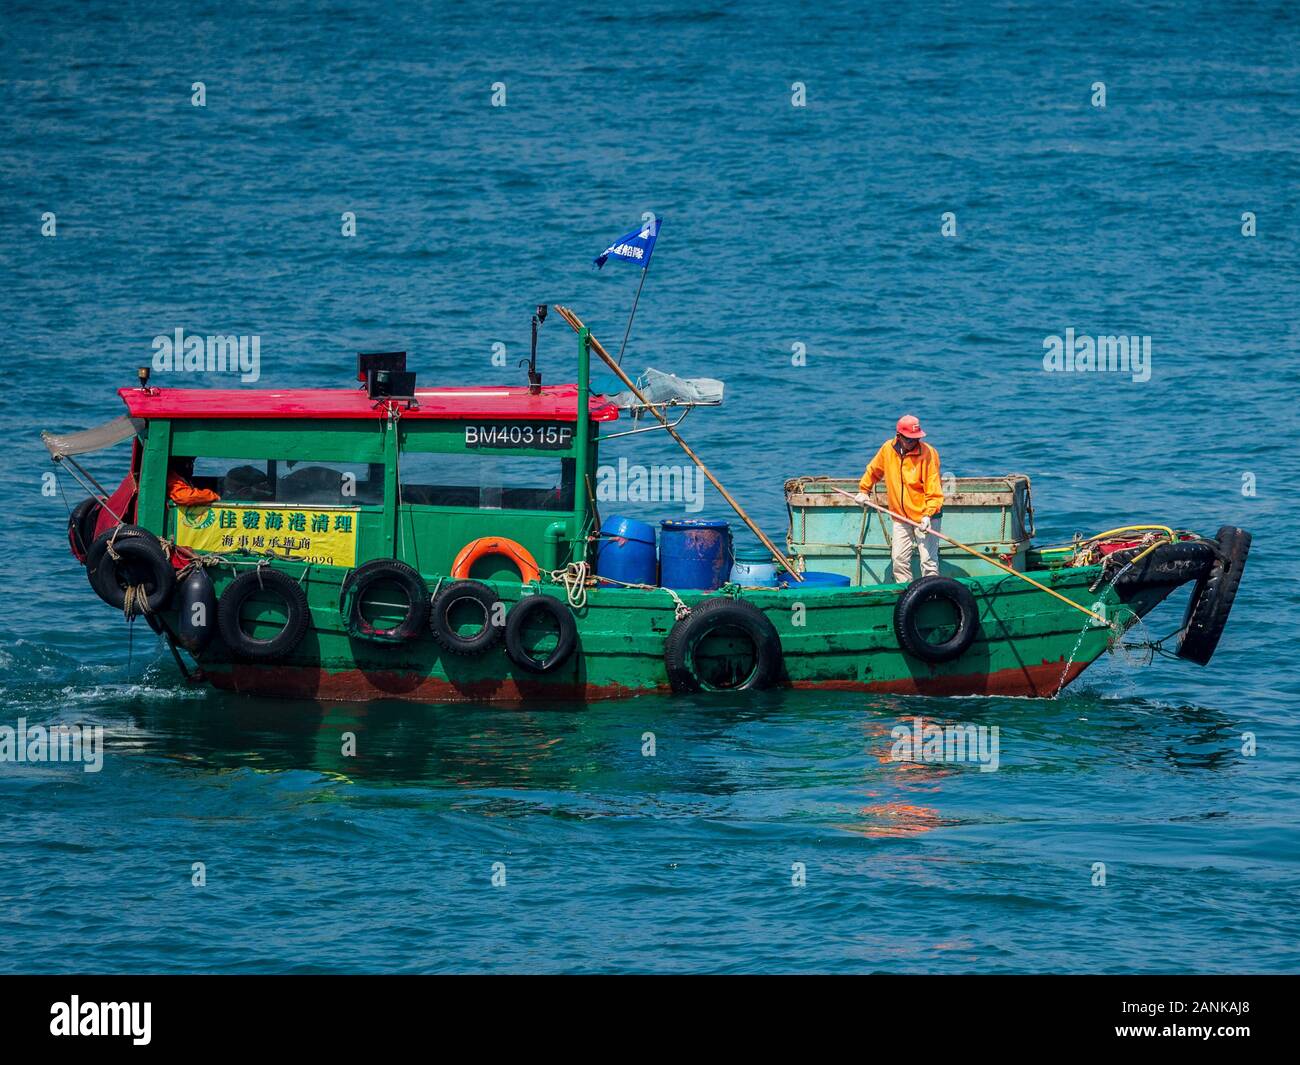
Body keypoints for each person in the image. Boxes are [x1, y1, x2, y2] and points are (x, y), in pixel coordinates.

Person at [856, 415, 943, 583]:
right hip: (900, 517)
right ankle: (906, 596)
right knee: (899, 560)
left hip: (925, 516)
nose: (913, 442)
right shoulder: (887, 449)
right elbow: (873, 470)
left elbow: (934, 489)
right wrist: (864, 490)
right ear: (899, 436)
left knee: (928, 563)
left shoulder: (929, 453)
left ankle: (933, 596)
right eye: (909, 439)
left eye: (916, 439)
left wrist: (928, 514)